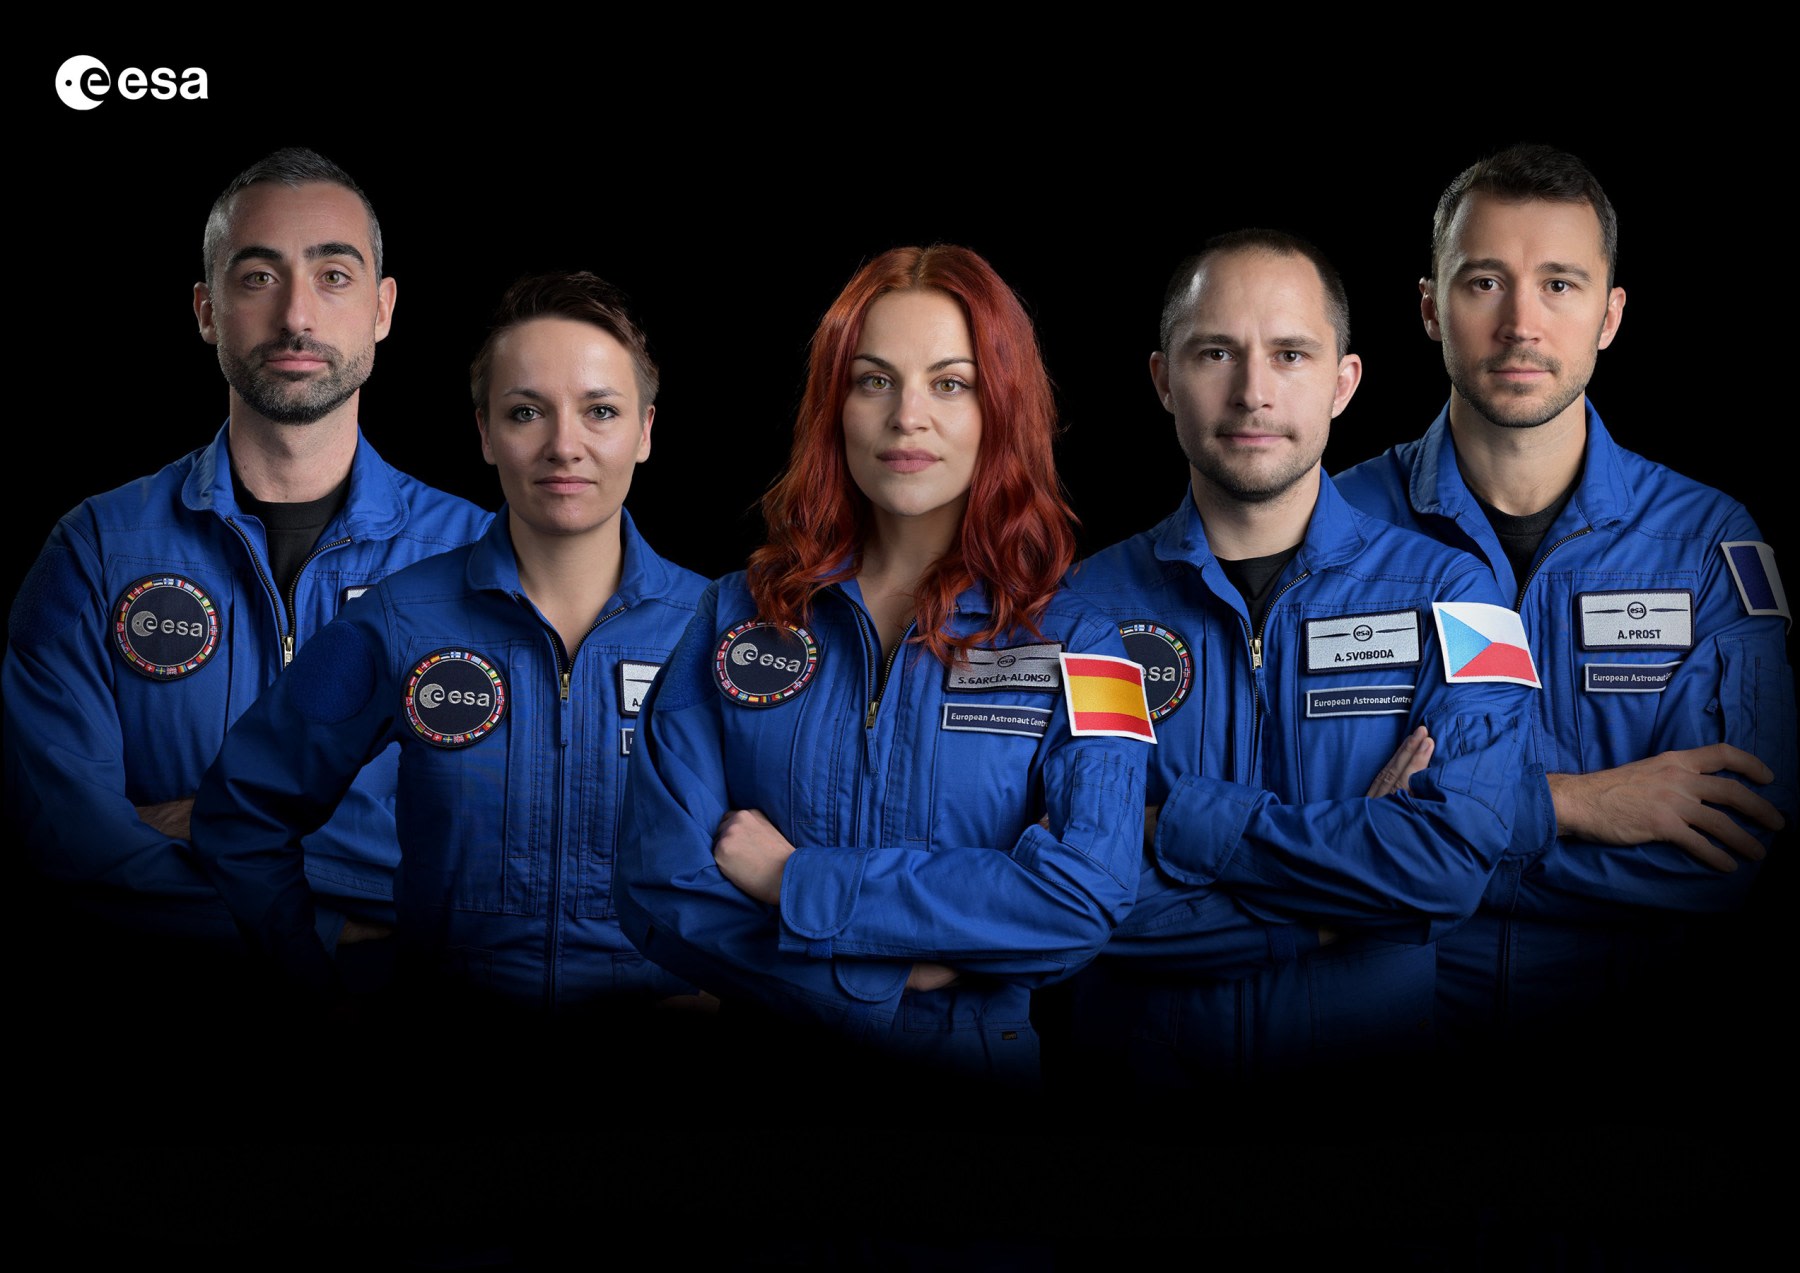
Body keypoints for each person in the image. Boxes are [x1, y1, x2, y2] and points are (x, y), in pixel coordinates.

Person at [616, 245, 1151, 1083]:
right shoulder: (730, 615)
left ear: (1000, 408)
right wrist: (883, 972)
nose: (908, 416)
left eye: (950, 383)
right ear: (835, 406)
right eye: (874, 380)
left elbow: (1086, 897)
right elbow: (657, 885)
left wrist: (799, 880)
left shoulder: (1089, 645)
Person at [3, 148, 489, 1005]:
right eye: (259, 276)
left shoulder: (482, 560)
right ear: (206, 309)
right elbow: (64, 846)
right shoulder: (94, 550)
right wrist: (339, 927)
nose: (297, 315)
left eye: (334, 275)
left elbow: (512, 844)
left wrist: (202, 819)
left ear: (383, 309)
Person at [1335, 143, 1795, 1046]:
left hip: (1628, 1059)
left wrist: (1425, 835)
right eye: (1483, 284)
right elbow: (1279, 822)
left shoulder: (1705, 543)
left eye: (1559, 285)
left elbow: (1733, 854)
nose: (1520, 325)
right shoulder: (1330, 527)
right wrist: (1582, 805)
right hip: (1377, 1045)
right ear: (1430, 308)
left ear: (1610, 316)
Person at [1068, 229, 1543, 1084]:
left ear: (1342, 383)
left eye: (1291, 354)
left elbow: (1449, 864)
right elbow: (1073, 897)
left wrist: (1182, 825)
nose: (1254, 392)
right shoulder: (1077, 611)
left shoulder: (1467, 595)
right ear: (1162, 380)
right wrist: (1336, 911)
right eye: (1216, 352)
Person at [188, 272, 706, 1012]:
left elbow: (790, 843)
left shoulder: (716, 631)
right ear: (486, 433)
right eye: (527, 411)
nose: (566, 445)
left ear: (645, 431)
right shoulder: (401, 619)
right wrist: (308, 981)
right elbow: (242, 809)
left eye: (601, 410)